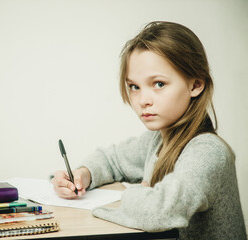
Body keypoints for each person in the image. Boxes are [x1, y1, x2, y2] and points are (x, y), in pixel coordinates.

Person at [51, 21, 247, 239]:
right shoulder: (156, 141)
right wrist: (82, 175)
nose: (143, 100)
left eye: (159, 84)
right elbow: (112, 160)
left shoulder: (208, 152)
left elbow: (158, 212)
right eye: (135, 87)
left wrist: (137, 192)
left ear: (195, 85)